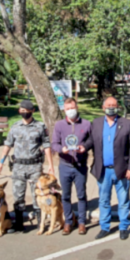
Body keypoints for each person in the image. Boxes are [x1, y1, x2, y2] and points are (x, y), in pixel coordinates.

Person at [0, 100, 53, 232]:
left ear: (32, 111)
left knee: (37, 195)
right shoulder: (15, 127)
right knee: (18, 196)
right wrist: (1, 162)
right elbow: (8, 145)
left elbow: (47, 145)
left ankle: (40, 223)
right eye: (22, 110)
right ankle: (19, 224)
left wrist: (50, 165)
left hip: (35, 166)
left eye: (26, 110)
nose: (24, 112)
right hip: (18, 166)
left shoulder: (40, 126)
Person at [90, 96, 130, 240]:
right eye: (108, 105)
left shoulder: (127, 124)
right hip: (103, 170)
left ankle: (123, 227)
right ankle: (105, 227)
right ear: (103, 108)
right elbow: (90, 142)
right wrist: (80, 147)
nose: (111, 107)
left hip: (122, 170)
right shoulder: (96, 123)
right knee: (104, 200)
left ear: (118, 107)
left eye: (114, 105)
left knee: (123, 201)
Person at [51, 98, 94, 235]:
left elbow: (91, 140)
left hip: (80, 165)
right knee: (66, 196)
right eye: (68, 108)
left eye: (72, 107)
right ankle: (68, 222)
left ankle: (82, 222)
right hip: (65, 165)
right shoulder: (59, 125)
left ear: (77, 107)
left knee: (81, 195)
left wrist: (84, 147)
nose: (70, 110)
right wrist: (61, 149)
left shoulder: (86, 124)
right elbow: (54, 143)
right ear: (64, 109)